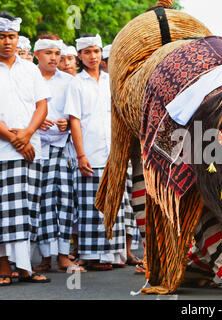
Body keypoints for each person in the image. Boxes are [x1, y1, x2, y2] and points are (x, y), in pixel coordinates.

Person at [64, 33, 127, 271]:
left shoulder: (111, 81)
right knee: (91, 205)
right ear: (79, 56)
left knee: (114, 203)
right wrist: (81, 155)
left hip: (113, 151)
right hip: (89, 150)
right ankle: (91, 256)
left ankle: (112, 254)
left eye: (97, 51)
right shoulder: (76, 83)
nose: (93, 56)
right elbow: (75, 120)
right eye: (87, 52)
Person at [0, 11, 51, 285]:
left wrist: (28, 133)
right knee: (4, 210)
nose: (7, 42)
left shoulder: (30, 69)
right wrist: (13, 138)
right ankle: (3, 267)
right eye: (2, 36)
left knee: (29, 208)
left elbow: (42, 105)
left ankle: (24, 267)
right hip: (3, 150)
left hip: (32, 148)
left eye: (11, 36)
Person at [32, 34, 86, 273]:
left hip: (62, 147)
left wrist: (64, 122)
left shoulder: (69, 81)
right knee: (40, 202)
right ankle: (45, 257)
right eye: (48, 53)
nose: (54, 58)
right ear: (37, 55)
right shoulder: (28, 76)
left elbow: (74, 115)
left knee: (64, 200)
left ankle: (63, 255)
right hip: (32, 147)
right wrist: (34, 122)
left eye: (57, 53)